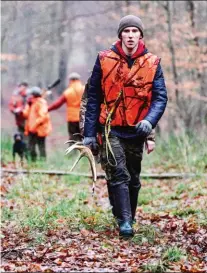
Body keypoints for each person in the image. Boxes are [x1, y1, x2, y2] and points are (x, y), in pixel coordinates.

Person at [83, 15, 168, 238]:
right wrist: (89, 134)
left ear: (140, 35)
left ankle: (127, 214)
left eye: (134, 31)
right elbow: (93, 98)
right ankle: (125, 222)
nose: (130, 36)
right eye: (126, 31)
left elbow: (159, 98)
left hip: (137, 129)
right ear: (120, 35)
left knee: (133, 177)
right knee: (118, 173)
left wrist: (149, 123)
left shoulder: (153, 62)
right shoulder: (103, 59)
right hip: (110, 128)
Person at [48, 72, 85, 141]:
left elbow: (57, 104)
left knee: (73, 137)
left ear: (70, 80)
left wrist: (47, 109)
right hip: (83, 117)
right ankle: (84, 151)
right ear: (78, 80)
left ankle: (72, 151)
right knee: (83, 137)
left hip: (72, 119)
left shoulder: (68, 92)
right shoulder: (84, 89)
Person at [22, 87, 52, 162]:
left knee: (41, 147)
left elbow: (43, 117)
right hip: (32, 129)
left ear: (34, 95)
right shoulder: (32, 103)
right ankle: (33, 162)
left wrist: (35, 126)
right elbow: (25, 115)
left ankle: (42, 163)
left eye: (31, 94)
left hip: (39, 130)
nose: (29, 96)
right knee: (30, 147)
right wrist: (28, 105)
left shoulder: (41, 103)